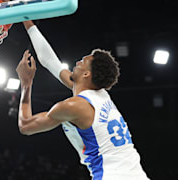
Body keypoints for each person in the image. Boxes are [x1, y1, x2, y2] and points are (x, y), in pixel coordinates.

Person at [15, 20, 150, 180]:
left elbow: (26, 126)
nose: (77, 62)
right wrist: (27, 22)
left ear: (86, 74)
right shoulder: (100, 94)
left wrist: (26, 84)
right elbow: (51, 62)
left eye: (82, 62)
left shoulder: (73, 107)